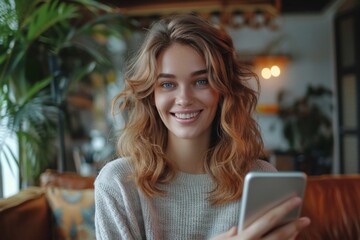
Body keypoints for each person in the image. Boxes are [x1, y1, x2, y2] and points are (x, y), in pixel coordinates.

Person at [94, 14, 310, 239]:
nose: (184, 98)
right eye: (167, 84)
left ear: (223, 91)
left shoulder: (260, 179)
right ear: (151, 96)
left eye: (201, 81)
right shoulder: (118, 183)